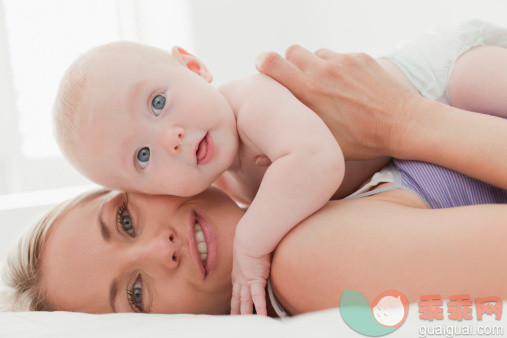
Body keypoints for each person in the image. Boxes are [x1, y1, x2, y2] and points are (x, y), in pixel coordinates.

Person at [2, 20, 506, 315]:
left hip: (447, 67)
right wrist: (402, 120)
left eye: (126, 221)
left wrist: (406, 120)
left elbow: (314, 159)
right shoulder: (299, 263)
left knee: (468, 78)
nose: (162, 249)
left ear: (193, 67)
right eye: (135, 294)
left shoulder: (248, 126)